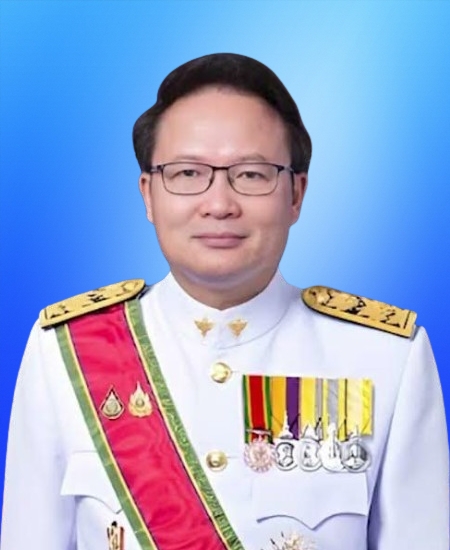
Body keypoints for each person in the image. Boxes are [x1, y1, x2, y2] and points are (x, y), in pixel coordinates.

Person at [1, 53, 448, 550]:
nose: (219, 204)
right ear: (148, 195)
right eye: (187, 173)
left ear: (296, 194)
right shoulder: (66, 351)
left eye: (252, 175)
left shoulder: (385, 357)